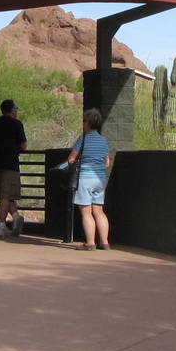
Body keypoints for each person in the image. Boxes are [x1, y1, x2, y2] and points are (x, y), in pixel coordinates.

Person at [63, 107, 113, 250]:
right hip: (100, 179)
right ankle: (104, 242)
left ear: (88, 123)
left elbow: (71, 159)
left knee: (86, 212)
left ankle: (90, 243)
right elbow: (106, 162)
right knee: (99, 211)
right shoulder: (103, 140)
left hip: (86, 178)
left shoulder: (83, 139)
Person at [0, 98, 27, 237]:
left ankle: (15, 216)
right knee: (6, 196)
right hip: (10, 164)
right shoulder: (17, 124)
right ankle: (1, 225)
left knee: (3, 195)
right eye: (16, 108)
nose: (17, 110)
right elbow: (23, 145)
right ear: (12, 109)